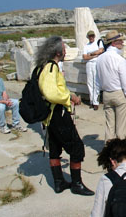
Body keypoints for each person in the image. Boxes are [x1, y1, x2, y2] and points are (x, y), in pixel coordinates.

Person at [36, 36, 94, 196]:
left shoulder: (47, 66)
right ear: (57, 51)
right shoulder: (50, 68)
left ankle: (59, 182)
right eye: (64, 47)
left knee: (54, 149)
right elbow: (51, 93)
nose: (66, 50)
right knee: (76, 148)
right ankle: (76, 184)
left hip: (51, 115)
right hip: (57, 114)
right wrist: (70, 98)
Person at [96, 31, 126, 141]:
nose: (122, 43)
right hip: (119, 93)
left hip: (106, 94)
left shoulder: (99, 59)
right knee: (120, 129)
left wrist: (96, 97)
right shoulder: (119, 59)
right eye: (120, 41)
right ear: (113, 43)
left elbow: (97, 80)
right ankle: (121, 153)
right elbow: (125, 82)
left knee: (109, 126)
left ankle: (108, 152)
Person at [83, 30, 104, 110]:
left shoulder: (98, 42)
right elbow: (84, 57)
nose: (91, 37)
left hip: (96, 63)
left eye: (92, 36)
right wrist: (94, 55)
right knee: (89, 83)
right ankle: (91, 101)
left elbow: (101, 50)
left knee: (96, 82)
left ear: (94, 36)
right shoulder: (86, 46)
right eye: (90, 36)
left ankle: (96, 102)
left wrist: (91, 54)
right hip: (89, 64)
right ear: (88, 37)